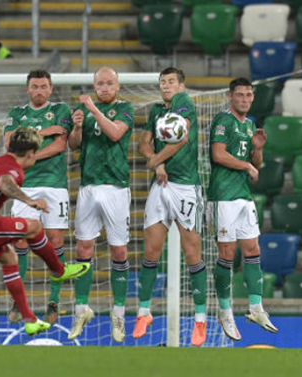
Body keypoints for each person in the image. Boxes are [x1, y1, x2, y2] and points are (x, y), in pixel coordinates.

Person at [0, 127, 91, 336]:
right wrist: (29, 201)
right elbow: (5, 183)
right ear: (31, 153)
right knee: (34, 227)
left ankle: (30, 320)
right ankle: (58, 270)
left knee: (9, 257)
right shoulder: (14, 169)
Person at [135, 67, 208, 346]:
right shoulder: (156, 111)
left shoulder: (184, 103)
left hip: (186, 188)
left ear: (181, 85)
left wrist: (155, 161)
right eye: (162, 82)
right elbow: (144, 142)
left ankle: (199, 320)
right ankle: (144, 312)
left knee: (192, 253)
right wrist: (158, 161)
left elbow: (182, 137)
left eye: (171, 82)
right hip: (161, 187)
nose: (166, 86)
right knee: (151, 250)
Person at [66, 67, 134, 342]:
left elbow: (116, 134)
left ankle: (118, 313)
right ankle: (81, 309)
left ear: (117, 85)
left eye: (109, 83)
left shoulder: (126, 108)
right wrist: (78, 127)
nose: (104, 87)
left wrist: (93, 109)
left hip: (115, 187)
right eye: (99, 84)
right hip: (88, 186)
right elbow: (74, 145)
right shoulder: (86, 112)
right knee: (83, 247)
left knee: (119, 251)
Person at [208, 77, 277, 341]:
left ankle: (256, 307)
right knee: (227, 253)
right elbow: (218, 154)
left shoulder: (249, 125)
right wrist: (248, 166)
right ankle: (225, 311)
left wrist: (257, 151)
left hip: (243, 195)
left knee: (252, 249)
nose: (245, 99)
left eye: (249, 95)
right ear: (230, 96)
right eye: (240, 95)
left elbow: (255, 161)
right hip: (223, 195)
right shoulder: (223, 121)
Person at [4, 69, 72, 326]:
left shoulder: (62, 110)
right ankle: (18, 303)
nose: (40, 90)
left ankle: (53, 302)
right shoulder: (16, 113)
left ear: (51, 89)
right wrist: (45, 133)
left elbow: (59, 145)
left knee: (55, 242)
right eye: (35, 86)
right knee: (20, 241)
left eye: (44, 86)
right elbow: (10, 144)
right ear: (27, 89)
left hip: (54, 186)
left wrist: (28, 153)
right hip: (25, 186)